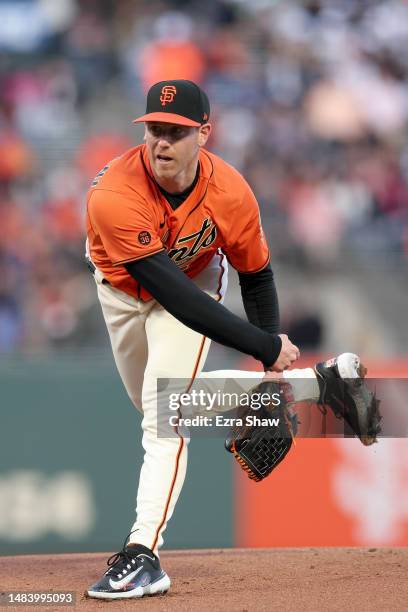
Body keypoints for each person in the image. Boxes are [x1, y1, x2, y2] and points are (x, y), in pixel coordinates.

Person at [84, 80, 376, 600]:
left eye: (175, 131)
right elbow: (168, 293)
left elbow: (256, 275)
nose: (161, 142)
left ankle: (143, 553)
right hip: (127, 291)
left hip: (196, 278)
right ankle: (325, 387)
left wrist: (271, 375)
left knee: (164, 409)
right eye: (154, 129)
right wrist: (271, 359)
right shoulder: (115, 192)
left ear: (204, 134)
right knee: (161, 403)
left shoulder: (231, 191)